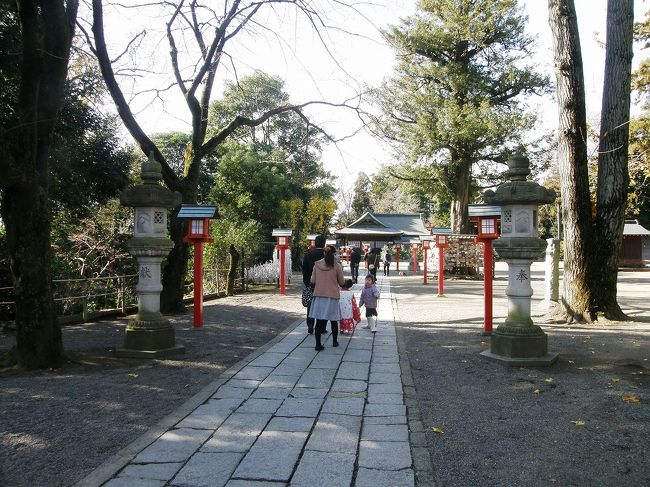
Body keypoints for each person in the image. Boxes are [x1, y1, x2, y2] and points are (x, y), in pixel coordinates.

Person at [309, 245, 345, 351]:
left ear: (324, 253)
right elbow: (342, 282)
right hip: (332, 295)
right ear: (334, 254)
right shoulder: (337, 265)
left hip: (319, 295)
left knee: (319, 321)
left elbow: (312, 281)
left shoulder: (317, 264)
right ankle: (334, 341)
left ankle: (318, 344)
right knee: (333, 320)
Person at [302, 235, 326, 334]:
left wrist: (307, 283)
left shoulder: (308, 255)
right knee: (323, 306)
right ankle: (322, 327)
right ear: (324, 243)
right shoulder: (326, 255)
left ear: (315, 244)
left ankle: (310, 324)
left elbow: (305, 270)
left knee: (311, 305)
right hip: (324, 285)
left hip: (311, 284)